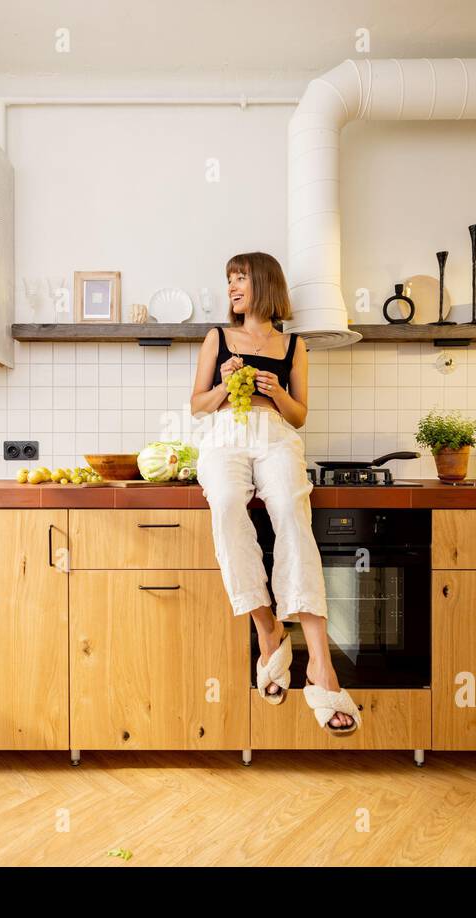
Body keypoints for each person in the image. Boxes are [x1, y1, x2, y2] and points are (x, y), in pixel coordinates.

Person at [188, 251, 360, 734]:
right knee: (225, 505)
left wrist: (276, 392)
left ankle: (321, 667)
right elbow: (198, 405)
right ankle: (267, 628)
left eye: (239, 278)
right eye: (228, 280)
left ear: (263, 283)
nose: (231, 288)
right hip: (225, 434)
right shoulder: (217, 338)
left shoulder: (293, 345)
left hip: (276, 437)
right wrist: (224, 386)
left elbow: (299, 413)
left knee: (289, 509)